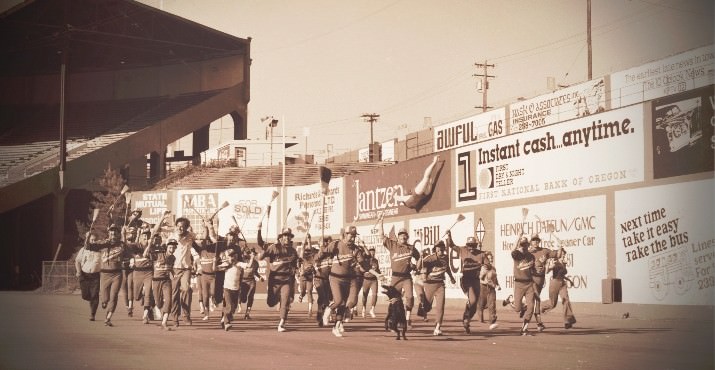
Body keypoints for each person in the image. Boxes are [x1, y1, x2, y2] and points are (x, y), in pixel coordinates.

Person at [256, 224, 299, 332]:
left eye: (289, 236)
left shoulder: (293, 251)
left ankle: (282, 323)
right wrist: (265, 248)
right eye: (285, 235)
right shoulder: (274, 247)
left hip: (286, 280)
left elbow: (295, 265)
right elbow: (260, 257)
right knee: (270, 303)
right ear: (281, 237)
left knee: (285, 302)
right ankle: (277, 299)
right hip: (275, 279)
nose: (287, 237)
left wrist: (295, 269)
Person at [378, 219, 420, 327]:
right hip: (395, 277)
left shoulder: (411, 248)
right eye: (401, 235)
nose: (403, 237)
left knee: (410, 297)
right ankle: (391, 319)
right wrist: (381, 222)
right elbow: (381, 236)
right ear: (398, 236)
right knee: (393, 300)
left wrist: (415, 267)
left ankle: (407, 319)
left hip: (406, 277)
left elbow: (419, 259)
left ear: (407, 237)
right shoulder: (393, 245)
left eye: (405, 235)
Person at [87, 224, 131, 327]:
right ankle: (104, 302)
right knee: (105, 298)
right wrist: (87, 237)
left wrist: (125, 235)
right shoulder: (104, 243)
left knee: (114, 296)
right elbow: (89, 246)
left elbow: (129, 254)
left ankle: (108, 318)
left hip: (117, 274)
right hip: (104, 274)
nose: (113, 234)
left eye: (115, 232)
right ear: (109, 233)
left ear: (118, 234)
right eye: (111, 232)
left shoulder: (122, 245)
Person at [444, 231, 488, 334]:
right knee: (472, 301)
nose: (471, 248)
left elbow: (488, 265)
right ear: (466, 245)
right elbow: (451, 245)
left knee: (475, 303)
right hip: (466, 280)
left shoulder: (481, 254)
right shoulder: (463, 250)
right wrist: (449, 235)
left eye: (473, 245)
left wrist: (485, 267)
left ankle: (467, 319)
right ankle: (466, 316)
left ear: (476, 245)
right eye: (469, 245)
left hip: (476, 280)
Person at [324, 226, 365, 337]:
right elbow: (324, 252)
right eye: (351, 236)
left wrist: (375, 273)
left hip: (349, 279)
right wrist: (325, 255)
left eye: (354, 236)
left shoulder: (356, 249)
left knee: (347, 303)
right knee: (338, 301)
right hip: (335, 278)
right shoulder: (336, 244)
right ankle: (329, 309)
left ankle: (336, 326)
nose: (353, 238)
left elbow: (364, 264)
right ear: (345, 235)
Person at [417, 241, 456, 336]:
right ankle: (422, 304)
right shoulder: (430, 258)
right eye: (438, 247)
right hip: (429, 284)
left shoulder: (446, 257)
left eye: (442, 247)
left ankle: (437, 327)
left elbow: (447, 268)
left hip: (440, 285)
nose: (440, 249)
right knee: (426, 308)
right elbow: (418, 267)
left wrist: (451, 277)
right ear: (435, 249)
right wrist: (420, 257)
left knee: (440, 306)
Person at [167, 217, 199, 327]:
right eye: (179, 226)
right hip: (174, 268)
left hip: (186, 268)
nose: (181, 228)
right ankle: (175, 318)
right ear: (176, 226)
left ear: (186, 227)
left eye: (183, 226)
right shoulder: (172, 236)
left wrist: (207, 224)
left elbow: (203, 236)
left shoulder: (191, 236)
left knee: (186, 289)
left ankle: (186, 315)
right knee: (174, 294)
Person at [528, 233, 564, 332]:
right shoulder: (528, 252)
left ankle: (513, 302)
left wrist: (560, 246)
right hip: (532, 279)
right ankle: (539, 324)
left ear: (539, 241)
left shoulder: (544, 251)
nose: (535, 242)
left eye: (537, 240)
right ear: (530, 242)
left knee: (532, 301)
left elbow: (558, 255)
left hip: (541, 280)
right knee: (537, 300)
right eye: (533, 240)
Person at [145, 235, 176, 331]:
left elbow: (170, 269)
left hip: (166, 281)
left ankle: (164, 322)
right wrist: (150, 243)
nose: (172, 249)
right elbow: (146, 254)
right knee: (158, 304)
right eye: (170, 247)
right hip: (156, 281)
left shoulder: (173, 258)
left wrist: (174, 274)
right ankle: (153, 308)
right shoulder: (158, 254)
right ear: (167, 247)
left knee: (169, 300)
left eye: (174, 247)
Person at [541, 253, 577, 329]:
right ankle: (540, 307)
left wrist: (569, 280)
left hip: (562, 283)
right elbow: (547, 271)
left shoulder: (563, 264)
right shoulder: (555, 263)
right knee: (552, 304)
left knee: (566, 300)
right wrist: (547, 264)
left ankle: (568, 321)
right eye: (563, 255)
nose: (564, 256)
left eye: (564, 255)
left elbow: (562, 275)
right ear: (559, 256)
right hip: (555, 283)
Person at [511, 233, 537, 336]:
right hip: (519, 283)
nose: (524, 246)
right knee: (517, 309)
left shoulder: (531, 256)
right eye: (522, 244)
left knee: (531, 307)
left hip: (529, 283)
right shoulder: (517, 254)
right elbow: (513, 250)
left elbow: (533, 270)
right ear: (520, 245)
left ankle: (524, 329)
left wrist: (541, 269)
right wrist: (518, 237)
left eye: (525, 244)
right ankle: (510, 300)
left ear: (528, 245)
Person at [130, 228, 156, 324]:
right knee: (136, 297)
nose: (146, 237)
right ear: (140, 238)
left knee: (148, 293)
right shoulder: (135, 246)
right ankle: (143, 299)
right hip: (137, 273)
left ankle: (145, 316)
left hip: (148, 273)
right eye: (144, 236)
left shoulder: (152, 247)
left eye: (148, 236)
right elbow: (126, 247)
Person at [75, 233, 101, 321]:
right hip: (84, 275)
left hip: (95, 276)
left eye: (95, 240)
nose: (93, 242)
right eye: (92, 240)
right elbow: (77, 261)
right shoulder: (84, 250)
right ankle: (92, 300)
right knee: (85, 295)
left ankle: (92, 314)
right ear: (88, 240)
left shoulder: (100, 251)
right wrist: (78, 271)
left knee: (95, 295)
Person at [217, 248, 244, 331]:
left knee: (233, 308)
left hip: (236, 289)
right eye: (230, 256)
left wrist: (252, 258)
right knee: (229, 306)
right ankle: (226, 323)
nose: (232, 257)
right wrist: (217, 262)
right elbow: (215, 268)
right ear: (227, 257)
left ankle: (224, 318)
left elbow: (248, 266)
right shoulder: (226, 264)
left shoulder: (239, 264)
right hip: (227, 288)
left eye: (233, 255)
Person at [238, 246, 263, 320]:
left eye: (253, 254)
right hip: (243, 281)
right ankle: (239, 305)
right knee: (243, 299)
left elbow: (255, 272)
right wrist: (243, 250)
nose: (251, 255)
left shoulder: (255, 263)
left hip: (251, 281)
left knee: (250, 297)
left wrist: (260, 277)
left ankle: (247, 314)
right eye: (249, 253)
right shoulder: (242, 260)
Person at [478, 252, 501, 330]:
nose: (491, 260)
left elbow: (495, 278)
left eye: (492, 258)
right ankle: (480, 322)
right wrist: (494, 285)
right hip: (483, 287)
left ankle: (492, 320)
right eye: (489, 259)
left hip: (491, 289)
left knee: (492, 304)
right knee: (481, 305)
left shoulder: (493, 268)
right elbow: (481, 279)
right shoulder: (483, 268)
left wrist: (498, 284)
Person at [314, 236, 334, 327]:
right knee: (322, 297)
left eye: (328, 241)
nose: (326, 243)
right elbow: (316, 258)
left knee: (328, 299)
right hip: (319, 278)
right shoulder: (317, 252)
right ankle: (320, 316)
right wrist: (321, 249)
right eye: (324, 241)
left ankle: (321, 313)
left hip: (328, 279)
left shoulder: (332, 255)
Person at [297, 235, 317, 316]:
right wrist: (304, 241)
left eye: (309, 252)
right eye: (306, 251)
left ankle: (310, 310)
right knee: (303, 292)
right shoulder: (302, 257)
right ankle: (301, 296)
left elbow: (310, 247)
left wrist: (309, 240)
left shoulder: (311, 256)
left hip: (309, 276)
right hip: (303, 276)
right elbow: (302, 249)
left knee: (309, 292)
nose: (308, 252)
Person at [359, 246, 381, 318]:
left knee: (375, 294)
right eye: (371, 252)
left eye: (373, 253)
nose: (372, 254)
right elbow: (361, 270)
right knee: (365, 295)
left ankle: (372, 309)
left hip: (374, 280)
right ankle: (364, 308)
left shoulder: (376, 260)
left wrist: (380, 275)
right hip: (366, 279)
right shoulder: (365, 260)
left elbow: (377, 270)